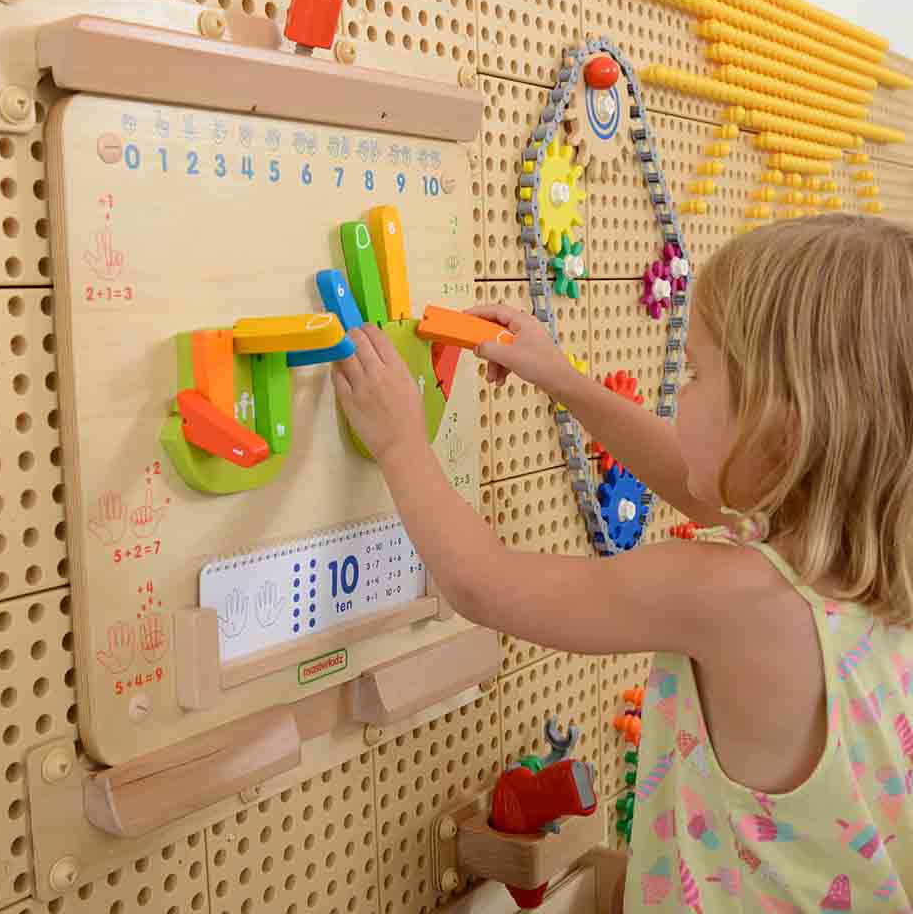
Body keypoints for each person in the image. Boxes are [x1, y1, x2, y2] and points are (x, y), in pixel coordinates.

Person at [332, 214, 913, 912]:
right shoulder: (851, 571)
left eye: (697, 373)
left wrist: (399, 439)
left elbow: (482, 586)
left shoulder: (726, 597)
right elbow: (695, 482)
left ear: (780, 434)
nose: (679, 394)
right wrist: (563, 380)